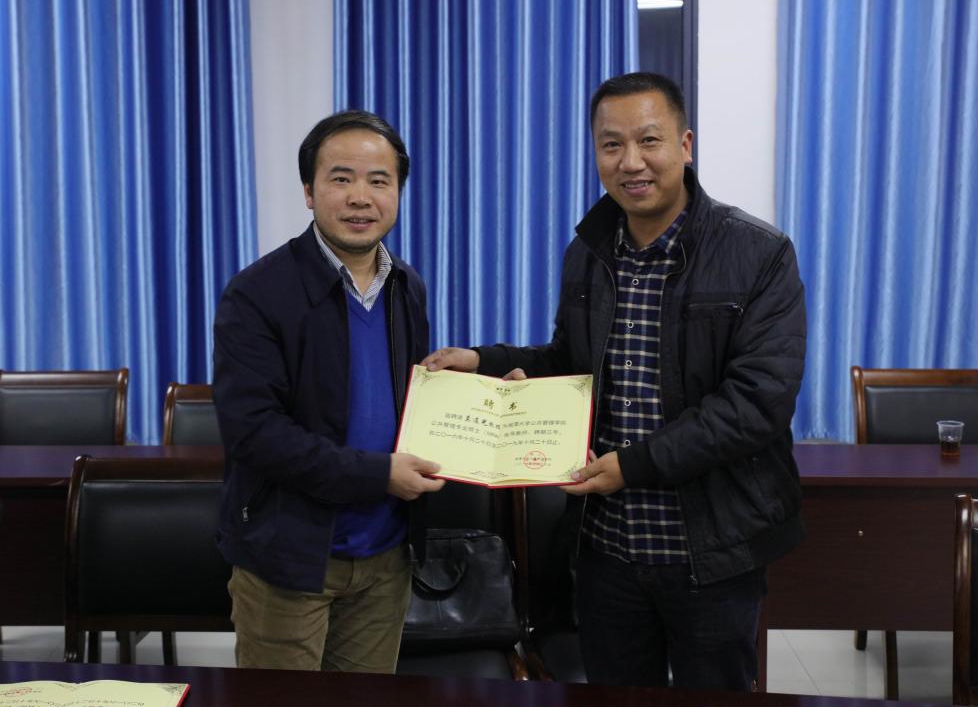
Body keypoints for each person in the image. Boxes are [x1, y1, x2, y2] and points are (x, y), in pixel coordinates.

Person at [422, 72, 806, 691]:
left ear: (685, 145)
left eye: (649, 140)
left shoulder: (758, 253)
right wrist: (483, 361)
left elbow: (757, 404)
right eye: (611, 144)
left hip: (712, 550)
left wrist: (634, 465)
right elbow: (571, 361)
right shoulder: (589, 251)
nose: (631, 162)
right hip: (606, 550)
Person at [213, 110, 444, 673]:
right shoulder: (257, 293)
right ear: (309, 192)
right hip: (290, 559)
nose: (360, 197)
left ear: (398, 193)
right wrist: (377, 474)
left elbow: (408, 403)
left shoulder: (407, 286)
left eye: (379, 180)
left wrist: (490, 407)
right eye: (341, 178)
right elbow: (255, 433)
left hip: (386, 556)